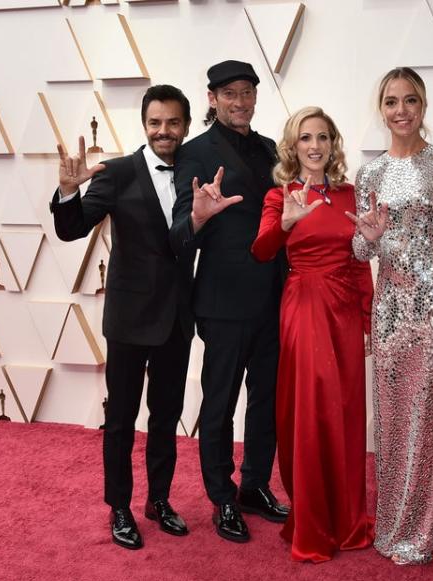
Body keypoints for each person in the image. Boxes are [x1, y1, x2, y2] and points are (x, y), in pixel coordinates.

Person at [50, 85, 194, 550]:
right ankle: (120, 507)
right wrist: (69, 192)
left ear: (186, 126)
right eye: (155, 122)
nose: (164, 131)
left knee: (166, 415)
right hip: (130, 319)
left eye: (173, 122)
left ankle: (159, 499)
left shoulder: (197, 171)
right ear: (144, 125)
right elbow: (72, 229)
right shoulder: (117, 172)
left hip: (176, 318)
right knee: (122, 420)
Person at [349, 67, 433, 565]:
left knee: (431, 417)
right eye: (391, 101)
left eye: (410, 100)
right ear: (380, 109)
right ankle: (394, 524)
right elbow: (361, 250)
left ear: (423, 106)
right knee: (393, 419)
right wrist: (372, 236)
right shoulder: (370, 174)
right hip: (390, 309)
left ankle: (427, 530)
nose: (401, 110)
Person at [170, 60, 288, 544]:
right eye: (230, 93)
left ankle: (255, 484)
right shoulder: (194, 153)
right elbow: (180, 232)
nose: (241, 101)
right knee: (219, 404)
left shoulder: (270, 150)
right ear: (212, 98)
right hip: (223, 302)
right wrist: (199, 217)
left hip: (276, 296)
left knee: (268, 400)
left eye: (248, 92)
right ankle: (222, 497)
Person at [251, 107, 375, 562]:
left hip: (344, 310)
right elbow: (262, 251)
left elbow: (361, 260)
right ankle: (312, 523)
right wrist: (286, 221)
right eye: (306, 138)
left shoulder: (349, 194)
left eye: (323, 137)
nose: (315, 146)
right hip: (303, 307)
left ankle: (347, 520)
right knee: (310, 410)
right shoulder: (278, 195)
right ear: (293, 146)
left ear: (332, 143)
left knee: (344, 410)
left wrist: (367, 318)